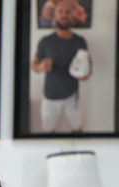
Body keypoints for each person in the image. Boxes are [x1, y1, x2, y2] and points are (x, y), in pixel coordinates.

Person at [31, 0, 91, 133]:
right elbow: (33, 66)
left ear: (73, 15)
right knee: (47, 133)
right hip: (50, 98)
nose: (64, 15)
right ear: (55, 15)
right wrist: (41, 67)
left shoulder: (80, 41)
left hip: (72, 97)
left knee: (77, 131)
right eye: (61, 12)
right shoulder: (45, 41)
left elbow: (88, 65)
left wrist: (85, 74)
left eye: (68, 12)